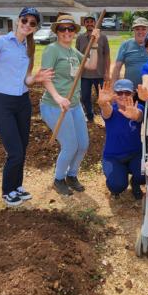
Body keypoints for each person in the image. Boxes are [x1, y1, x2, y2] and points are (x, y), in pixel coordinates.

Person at [0, 8, 54, 207]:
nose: (27, 25)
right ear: (18, 20)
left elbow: (25, 80)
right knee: (15, 151)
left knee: (23, 147)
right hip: (2, 102)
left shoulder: (29, 48)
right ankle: (7, 191)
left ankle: (17, 186)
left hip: (22, 102)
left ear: (35, 28)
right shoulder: (1, 42)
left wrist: (35, 79)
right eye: (25, 20)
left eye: (32, 23)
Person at [40, 14, 100, 196]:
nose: (67, 32)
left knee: (83, 144)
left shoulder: (74, 53)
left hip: (74, 106)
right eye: (62, 29)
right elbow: (45, 77)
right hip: (54, 106)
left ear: (74, 32)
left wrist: (95, 43)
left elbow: (92, 64)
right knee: (70, 145)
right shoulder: (52, 50)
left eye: (70, 29)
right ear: (57, 32)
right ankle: (59, 179)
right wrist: (58, 98)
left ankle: (71, 176)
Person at [98, 79, 145, 199]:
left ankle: (135, 183)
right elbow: (106, 111)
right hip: (113, 156)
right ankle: (117, 180)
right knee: (117, 186)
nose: (123, 96)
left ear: (133, 94)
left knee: (144, 176)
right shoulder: (111, 109)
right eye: (119, 93)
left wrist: (135, 115)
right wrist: (103, 103)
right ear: (114, 95)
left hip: (135, 154)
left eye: (127, 93)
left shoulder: (137, 107)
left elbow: (139, 115)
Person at [76, 14, 110, 123]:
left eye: (92, 21)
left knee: (102, 97)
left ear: (95, 23)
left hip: (99, 74)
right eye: (87, 22)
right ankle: (90, 116)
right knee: (85, 97)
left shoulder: (103, 37)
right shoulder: (80, 38)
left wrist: (107, 72)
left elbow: (107, 56)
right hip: (85, 74)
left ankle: (104, 116)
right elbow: (76, 55)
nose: (89, 24)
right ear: (84, 24)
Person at [111, 17, 148, 87]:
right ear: (133, 30)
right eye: (137, 29)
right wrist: (113, 86)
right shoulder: (125, 44)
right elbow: (117, 67)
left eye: (144, 29)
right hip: (129, 90)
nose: (140, 32)